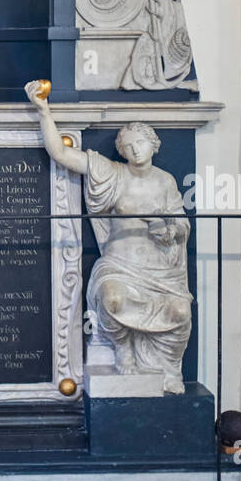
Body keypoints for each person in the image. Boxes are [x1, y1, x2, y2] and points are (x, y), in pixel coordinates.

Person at [25, 81, 191, 392]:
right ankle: (123, 348)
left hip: (158, 272)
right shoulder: (111, 173)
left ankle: (168, 369)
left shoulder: (165, 182)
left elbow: (181, 224)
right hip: (119, 265)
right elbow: (60, 153)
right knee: (112, 300)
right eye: (127, 146)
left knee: (180, 313)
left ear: (152, 144)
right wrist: (43, 110)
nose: (133, 149)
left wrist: (168, 231)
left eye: (139, 143)